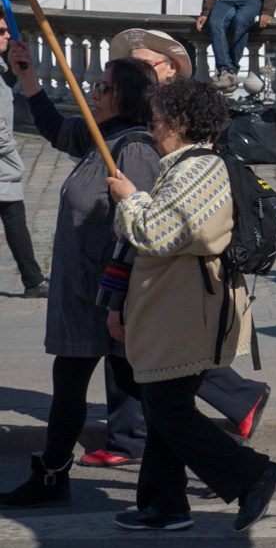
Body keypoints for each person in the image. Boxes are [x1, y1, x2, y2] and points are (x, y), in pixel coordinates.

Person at [104, 79, 276, 533]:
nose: (152, 126)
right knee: (163, 402)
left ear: (182, 123)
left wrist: (130, 201)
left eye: (159, 119)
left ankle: (253, 474)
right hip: (181, 307)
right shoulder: (185, 165)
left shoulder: (198, 170)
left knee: (166, 407)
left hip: (190, 311)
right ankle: (164, 504)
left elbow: (162, 233)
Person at [0, 54, 161, 508]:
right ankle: (54, 475)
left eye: (104, 87)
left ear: (127, 95)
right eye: (96, 84)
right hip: (82, 293)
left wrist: (118, 300)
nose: (93, 91)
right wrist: (28, 76)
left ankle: (234, 470)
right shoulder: (98, 136)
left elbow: (139, 229)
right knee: (91, 385)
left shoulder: (135, 149)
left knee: (151, 396)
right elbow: (53, 128)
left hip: (107, 296)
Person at [0, 23, 48, 298]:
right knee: (14, 216)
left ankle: (33, 279)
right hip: (3, 162)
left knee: (14, 216)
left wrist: (19, 68)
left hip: (4, 164)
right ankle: (33, 280)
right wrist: (9, 151)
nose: (7, 35)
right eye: (1, 31)